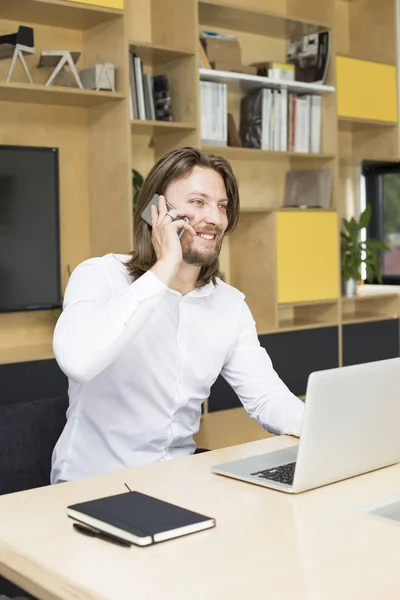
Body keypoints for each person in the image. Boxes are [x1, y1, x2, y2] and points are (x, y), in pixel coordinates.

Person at [51, 147, 304, 484]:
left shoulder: (229, 305)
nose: (215, 218)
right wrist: (165, 265)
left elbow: (267, 398)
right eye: (198, 202)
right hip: (91, 487)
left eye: (222, 206)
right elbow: (79, 362)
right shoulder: (100, 276)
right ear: (156, 210)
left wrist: (326, 427)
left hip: (179, 484)